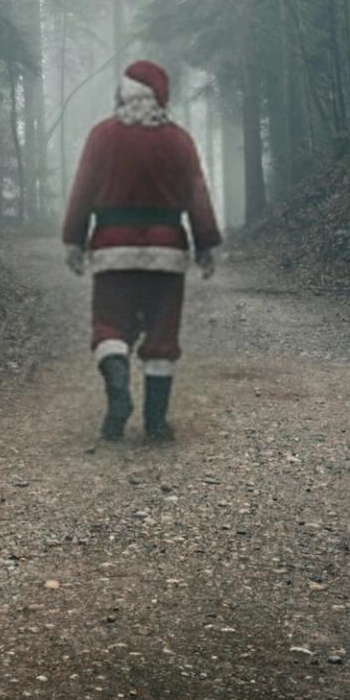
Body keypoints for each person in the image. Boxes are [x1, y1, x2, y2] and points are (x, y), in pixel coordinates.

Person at [59, 59, 222, 443]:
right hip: (167, 255)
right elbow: (196, 195)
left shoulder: (102, 136)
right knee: (162, 334)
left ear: (124, 94)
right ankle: (156, 423)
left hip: (113, 252)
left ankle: (117, 393)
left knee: (110, 326)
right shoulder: (178, 140)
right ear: (160, 97)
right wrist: (206, 244)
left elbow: (82, 191)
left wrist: (74, 239)